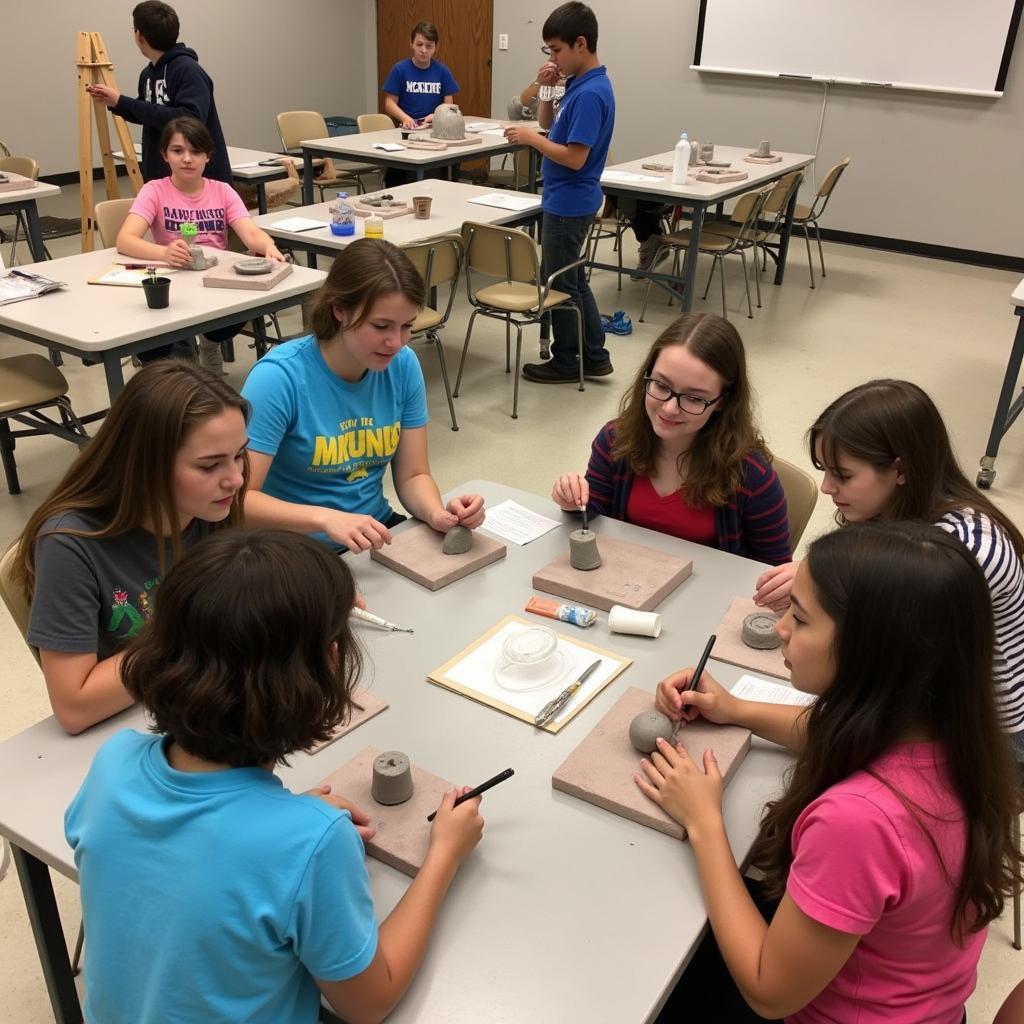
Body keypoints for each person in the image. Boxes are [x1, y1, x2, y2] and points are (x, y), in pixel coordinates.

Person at [65, 529, 485, 1024]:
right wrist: (443, 856)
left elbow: (180, 864)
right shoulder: (312, 843)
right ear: (329, 662)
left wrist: (279, 822)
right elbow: (369, 1003)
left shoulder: (113, 760)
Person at [646, 522, 1022, 1022]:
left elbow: (768, 991)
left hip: (820, 1009)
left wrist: (704, 823)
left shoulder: (859, 821)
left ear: (872, 652)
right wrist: (737, 709)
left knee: (661, 960)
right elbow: (846, 736)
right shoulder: (958, 732)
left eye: (799, 620)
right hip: (927, 1005)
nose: (780, 629)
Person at [752, 379, 1024, 764]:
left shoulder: (962, 554)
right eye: (825, 470)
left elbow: (880, 700)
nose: (827, 487)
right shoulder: (898, 513)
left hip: (990, 746)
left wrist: (740, 710)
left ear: (900, 470)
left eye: (843, 475)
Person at [12, 362, 248, 735]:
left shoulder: (208, 506)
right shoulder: (69, 544)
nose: (235, 479)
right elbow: (74, 706)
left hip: (194, 695)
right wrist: (195, 630)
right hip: (129, 723)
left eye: (239, 455)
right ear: (146, 465)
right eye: (209, 466)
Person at [241, 238, 484, 553]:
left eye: (406, 326)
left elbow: (413, 475)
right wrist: (327, 520)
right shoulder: (278, 378)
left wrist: (436, 513)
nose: (396, 342)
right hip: (294, 550)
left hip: (372, 534)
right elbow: (240, 501)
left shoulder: (403, 364)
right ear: (340, 310)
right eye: (381, 326)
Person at [551, 313, 790, 563]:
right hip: (622, 585)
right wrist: (573, 502)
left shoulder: (751, 475)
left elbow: (772, 573)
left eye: (694, 398)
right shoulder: (615, 440)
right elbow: (594, 518)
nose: (669, 409)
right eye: (661, 386)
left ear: (723, 402)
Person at [116, 116, 285, 372]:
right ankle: (175, 355)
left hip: (215, 282)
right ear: (165, 155)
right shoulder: (154, 190)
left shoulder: (222, 191)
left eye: (196, 151)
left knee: (249, 305)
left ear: (208, 156)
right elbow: (125, 240)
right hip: (176, 282)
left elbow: (250, 232)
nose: (187, 159)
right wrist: (164, 252)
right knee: (179, 368)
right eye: (177, 150)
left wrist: (268, 246)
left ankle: (209, 342)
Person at [504, 2, 616, 383]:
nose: (553, 57)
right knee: (572, 278)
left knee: (560, 283)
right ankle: (595, 354)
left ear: (580, 44)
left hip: (570, 201)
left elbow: (574, 157)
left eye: (556, 50)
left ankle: (568, 359)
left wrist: (532, 140)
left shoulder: (590, 94)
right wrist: (549, 88)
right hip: (565, 198)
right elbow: (548, 122)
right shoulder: (578, 85)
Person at [85, 0, 231, 184]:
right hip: (160, 174)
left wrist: (124, 102)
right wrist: (117, 103)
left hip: (197, 180)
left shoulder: (188, 70)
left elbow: (190, 118)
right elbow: (149, 113)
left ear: (139, 35)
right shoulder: (148, 73)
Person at [382, 20, 458, 130]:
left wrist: (436, 116)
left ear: (436, 47)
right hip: (405, 128)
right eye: (419, 44)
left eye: (429, 46)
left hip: (434, 128)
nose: (423, 50)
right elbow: (389, 104)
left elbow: (449, 106)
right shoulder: (399, 69)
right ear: (411, 43)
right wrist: (406, 119)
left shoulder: (443, 71)